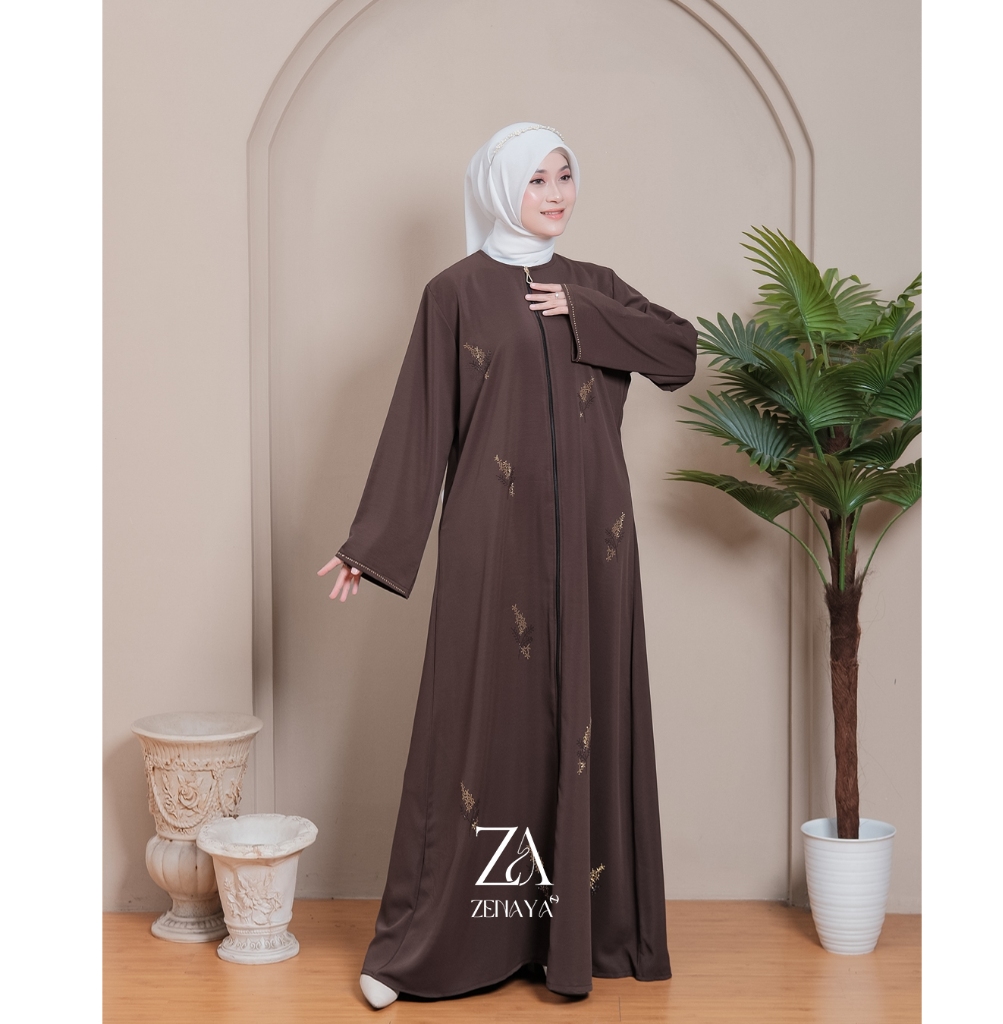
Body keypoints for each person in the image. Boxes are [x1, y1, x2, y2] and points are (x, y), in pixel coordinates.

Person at [318, 122, 697, 1008]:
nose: (557, 193)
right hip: (496, 542)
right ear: (499, 188)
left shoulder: (593, 284)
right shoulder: (454, 294)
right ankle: (427, 947)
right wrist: (368, 546)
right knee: (477, 727)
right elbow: (421, 422)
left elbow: (680, 352)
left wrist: (585, 314)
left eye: (565, 175)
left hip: (597, 545)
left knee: (586, 719)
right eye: (537, 179)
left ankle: (575, 933)